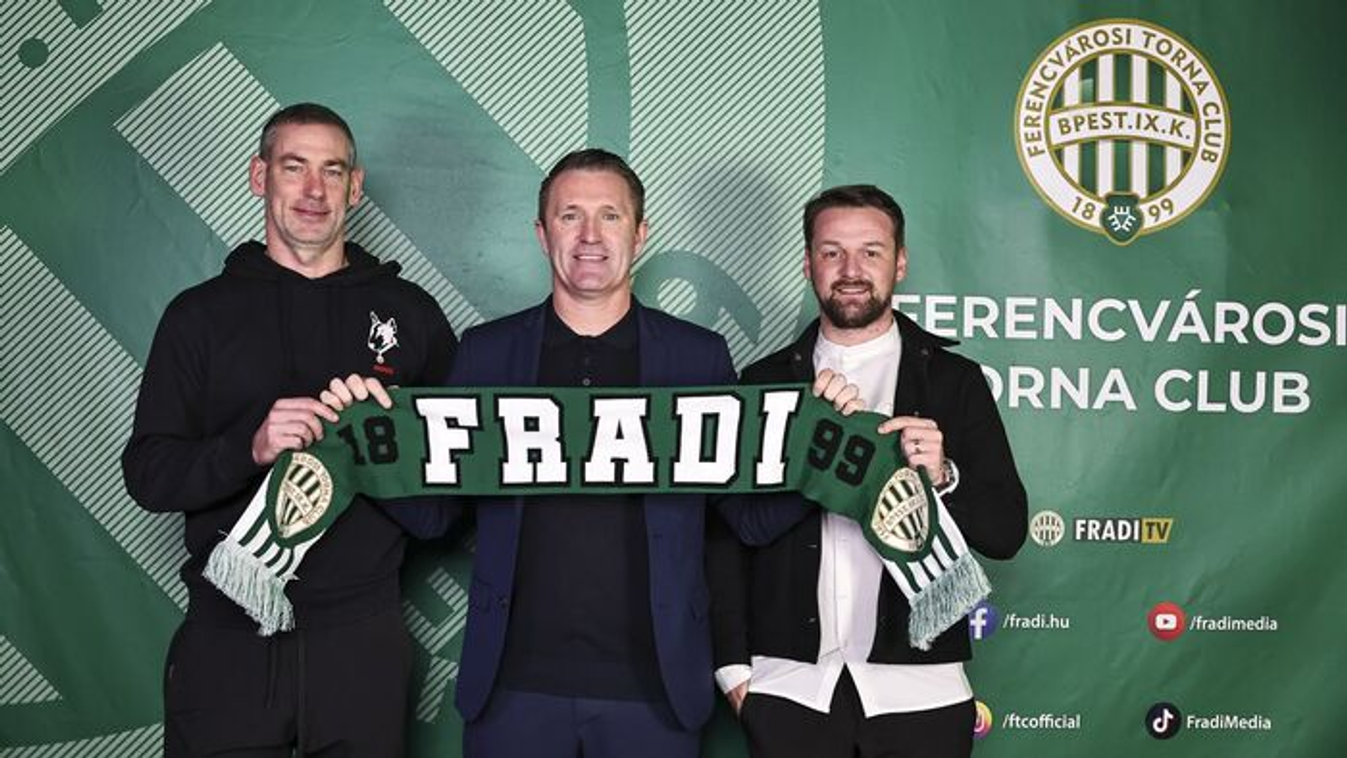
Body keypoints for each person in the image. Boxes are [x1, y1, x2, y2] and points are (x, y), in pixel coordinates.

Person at [362, 148, 813, 758]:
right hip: (512, 691)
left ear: (640, 233)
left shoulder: (697, 357)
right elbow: (438, 514)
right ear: (542, 232)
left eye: (610, 216)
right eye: (570, 215)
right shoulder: (487, 353)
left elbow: (743, 517)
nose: (591, 236)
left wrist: (824, 456)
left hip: (656, 695)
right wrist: (367, 446)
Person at [121, 102, 457, 757]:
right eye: (293, 166)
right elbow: (148, 475)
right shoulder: (198, 316)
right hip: (229, 638)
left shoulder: (411, 315)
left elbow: (447, 510)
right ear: (259, 176)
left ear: (355, 188)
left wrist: (380, 451)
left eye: (332, 171)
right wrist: (248, 447)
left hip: (362, 638)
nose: (313, 190)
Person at [712, 184, 1028, 758]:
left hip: (921, 689)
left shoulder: (953, 383)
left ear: (900, 263)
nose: (851, 270)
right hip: (789, 686)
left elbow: (1005, 532)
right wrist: (733, 670)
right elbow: (728, 532)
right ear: (808, 263)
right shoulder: (763, 385)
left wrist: (944, 476)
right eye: (832, 252)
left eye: (871, 252)